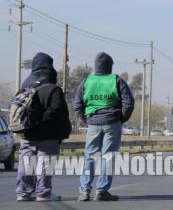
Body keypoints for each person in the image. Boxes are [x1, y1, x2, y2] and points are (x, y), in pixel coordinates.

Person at [74, 52, 134, 201]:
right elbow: (129, 102)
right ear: (110, 66)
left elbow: (77, 104)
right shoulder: (116, 80)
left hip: (93, 124)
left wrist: (86, 119)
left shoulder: (87, 81)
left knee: (90, 157)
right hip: (112, 123)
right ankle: (101, 191)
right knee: (108, 157)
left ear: (96, 66)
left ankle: (84, 191)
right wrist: (121, 118)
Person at [16, 52, 72, 202]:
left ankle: (23, 192)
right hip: (48, 134)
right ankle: (43, 193)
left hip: (27, 132)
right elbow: (56, 109)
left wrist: (32, 123)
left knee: (26, 163)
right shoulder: (53, 88)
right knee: (45, 164)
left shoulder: (26, 85)